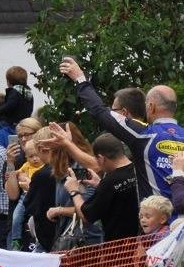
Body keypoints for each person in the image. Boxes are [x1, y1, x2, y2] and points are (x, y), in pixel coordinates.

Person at [62, 58, 182, 200]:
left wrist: (80, 79)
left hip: (158, 219)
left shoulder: (143, 133)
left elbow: (99, 111)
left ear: (151, 107)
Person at [70, 134, 140, 243]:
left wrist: (74, 191)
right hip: (143, 242)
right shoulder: (139, 170)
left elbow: (86, 215)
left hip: (118, 248)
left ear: (101, 158)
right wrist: (100, 185)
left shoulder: (110, 182)